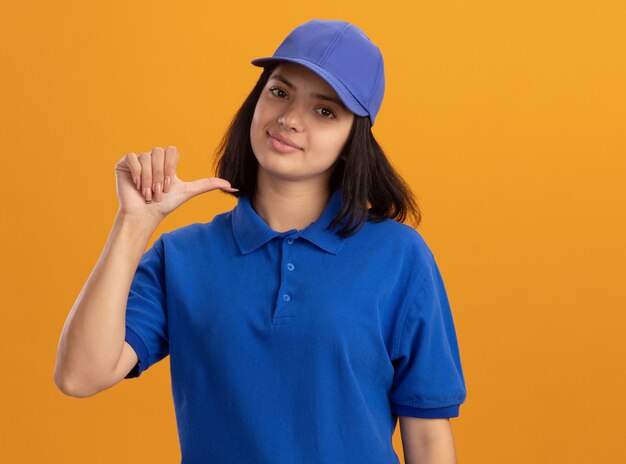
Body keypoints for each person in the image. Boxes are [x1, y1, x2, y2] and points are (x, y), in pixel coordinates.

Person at [54, 19, 467, 464]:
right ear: (257, 99)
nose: (289, 119)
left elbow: (426, 438)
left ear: (353, 140)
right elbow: (80, 376)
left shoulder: (399, 257)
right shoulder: (182, 257)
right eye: (279, 92)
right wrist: (132, 225)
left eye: (324, 111)